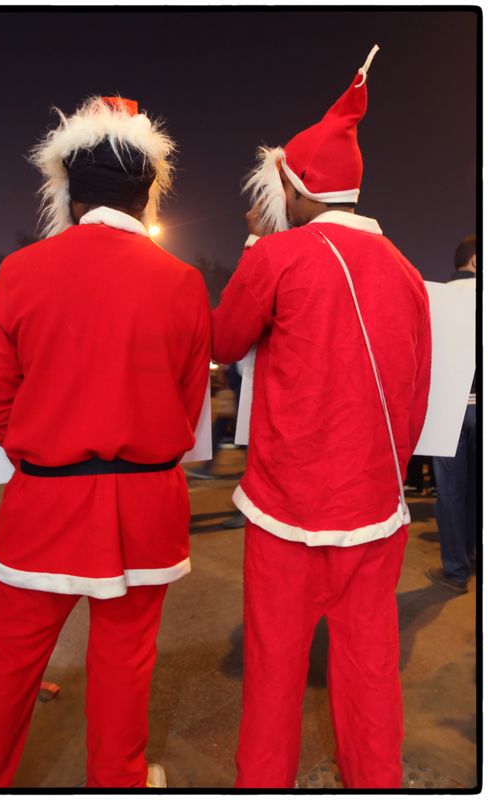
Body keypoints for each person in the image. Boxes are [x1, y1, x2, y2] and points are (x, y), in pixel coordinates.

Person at [0, 96, 211, 788]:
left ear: (70, 190)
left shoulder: (23, 272)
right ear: (147, 194)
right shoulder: (182, 282)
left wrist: (43, 443)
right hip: (148, 499)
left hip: (47, 500)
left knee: (9, 658)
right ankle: (117, 778)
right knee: (126, 657)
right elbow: (188, 402)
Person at [212, 47, 432, 788]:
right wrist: (387, 476)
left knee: (275, 663)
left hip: (287, 504)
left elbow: (223, 341)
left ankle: (263, 781)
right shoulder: (405, 269)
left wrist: (252, 241)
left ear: (296, 187)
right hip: (375, 503)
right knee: (369, 663)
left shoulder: (279, 255)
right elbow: (417, 390)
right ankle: (376, 779)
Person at [425, 234, 477, 593]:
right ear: (475, 261)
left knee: (451, 492)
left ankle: (457, 570)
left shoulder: (433, 297)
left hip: (446, 408)